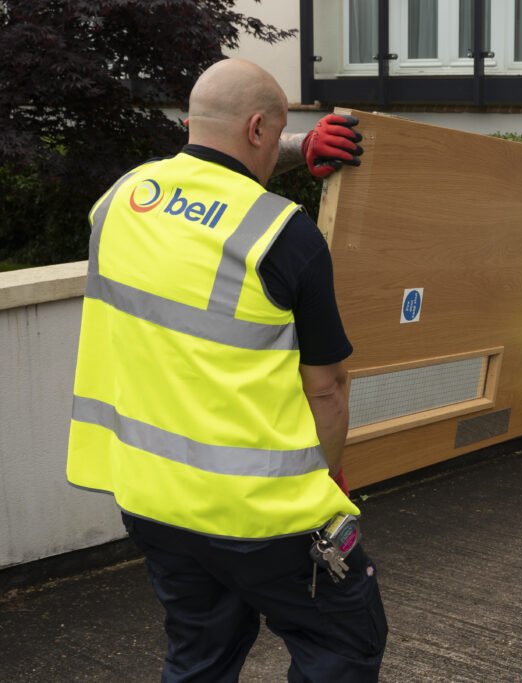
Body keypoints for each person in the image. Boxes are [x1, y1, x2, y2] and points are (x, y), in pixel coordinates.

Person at [66, 58, 387, 681]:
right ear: (261, 128)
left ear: (190, 120)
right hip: (263, 514)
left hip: (153, 501)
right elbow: (327, 388)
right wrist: (330, 484)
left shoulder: (120, 199)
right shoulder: (284, 235)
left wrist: (295, 145)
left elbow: (206, 173)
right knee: (344, 644)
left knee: (201, 656)